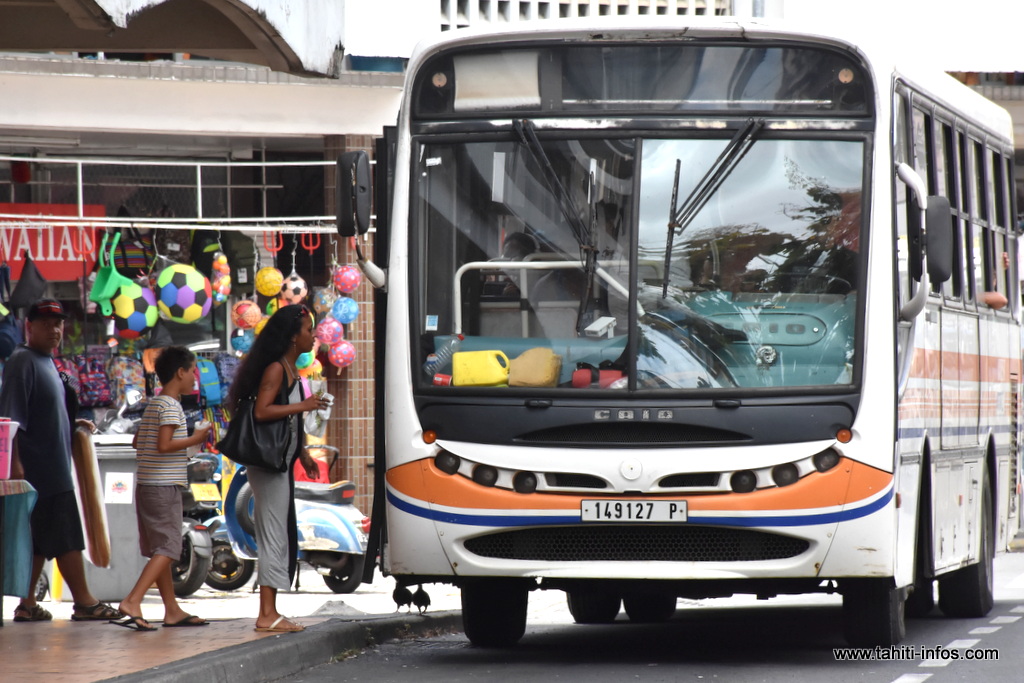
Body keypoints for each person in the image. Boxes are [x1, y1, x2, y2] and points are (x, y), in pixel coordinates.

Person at [0, 299, 122, 623]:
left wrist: (73, 423)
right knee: (66, 536)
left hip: (52, 466)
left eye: (58, 323)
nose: (54, 330)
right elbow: (11, 419)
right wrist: (16, 468)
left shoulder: (47, 362)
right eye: (46, 323)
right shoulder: (22, 361)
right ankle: (84, 601)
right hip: (39, 471)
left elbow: (44, 411)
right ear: (29, 327)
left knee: (40, 540)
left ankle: (27, 604)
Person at [226, 304, 326, 633]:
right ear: (292, 336)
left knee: (276, 531)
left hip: (280, 462)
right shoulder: (276, 369)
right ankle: (267, 614)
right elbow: (262, 412)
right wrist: (305, 405)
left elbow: (288, 422)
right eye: (308, 330)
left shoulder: (288, 368)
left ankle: (270, 611)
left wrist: (303, 454)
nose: (313, 336)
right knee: (272, 533)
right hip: (267, 465)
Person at [114, 346, 212, 631]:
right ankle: (132, 601)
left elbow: (139, 442)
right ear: (180, 372)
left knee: (161, 549)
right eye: (192, 371)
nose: (195, 377)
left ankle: (172, 610)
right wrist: (196, 437)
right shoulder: (170, 406)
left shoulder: (155, 404)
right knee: (169, 549)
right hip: (163, 487)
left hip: (147, 485)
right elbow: (165, 445)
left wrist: (184, 444)